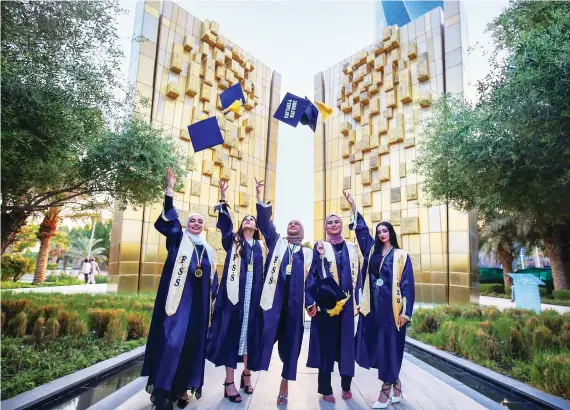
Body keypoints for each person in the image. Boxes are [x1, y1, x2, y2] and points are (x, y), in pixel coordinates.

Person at [141, 167, 218, 410]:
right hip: (175, 306)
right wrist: (169, 190)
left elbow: (212, 281)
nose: (196, 223)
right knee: (171, 344)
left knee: (190, 347)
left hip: (197, 309)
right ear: (186, 225)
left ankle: (184, 389)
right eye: (192, 220)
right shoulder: (178, 241)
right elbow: (170, 219)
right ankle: (162, 394)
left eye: (200, 221)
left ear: (204, 227)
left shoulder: (208, 251)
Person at [345, 190, 415, 409]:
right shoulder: (372, 252)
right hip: (373, 309)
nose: (382, 234)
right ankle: (397, 385)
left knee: (391, 349)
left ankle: (385, 392)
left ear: (391, 233)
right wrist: (353, 206)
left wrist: (406, 313)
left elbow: (408, 286)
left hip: (393, 312)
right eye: (379, 231)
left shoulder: (401, 255)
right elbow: (362, 231)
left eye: (385, 230)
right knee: (379, 349)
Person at [254, 179, 314, 405]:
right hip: (273, 302)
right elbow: (264, 223)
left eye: (297, 223)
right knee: (264, 335)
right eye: (290, 223)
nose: (293, 225)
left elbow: (311, 284)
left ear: (302, 230)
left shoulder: (308, 254)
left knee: (292, 346)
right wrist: (260, 196)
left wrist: (310, 303)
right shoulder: (276, 242)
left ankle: (284, 384)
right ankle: (248, 373)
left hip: (294, 307)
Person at [207, 180, 266, 403]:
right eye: (246, 219)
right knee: (232, 336)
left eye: (253, 219)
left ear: (256, 227)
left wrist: (259, 194)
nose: (249, 220)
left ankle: (247, 375)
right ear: (242, 226)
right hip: (233, 298)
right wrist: (222, 196)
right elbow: (224, 224)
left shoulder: (262, 246)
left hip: (254, 299)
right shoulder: (233, 242)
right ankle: (229, 382)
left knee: (250, 336)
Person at [305, 212, 360, 403]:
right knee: (326, 345)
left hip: (347, 304)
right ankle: (326, 387)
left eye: (337, 221)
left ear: (342, 225)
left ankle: (346, 385)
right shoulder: (320, 247)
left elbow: (358, 278)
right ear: (325, 226)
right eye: (330, 222)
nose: (334, 224)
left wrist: (359, 301)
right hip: (326, 305)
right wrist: (310, 301)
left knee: (346, 345)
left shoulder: (352, 248)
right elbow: (311, 275)